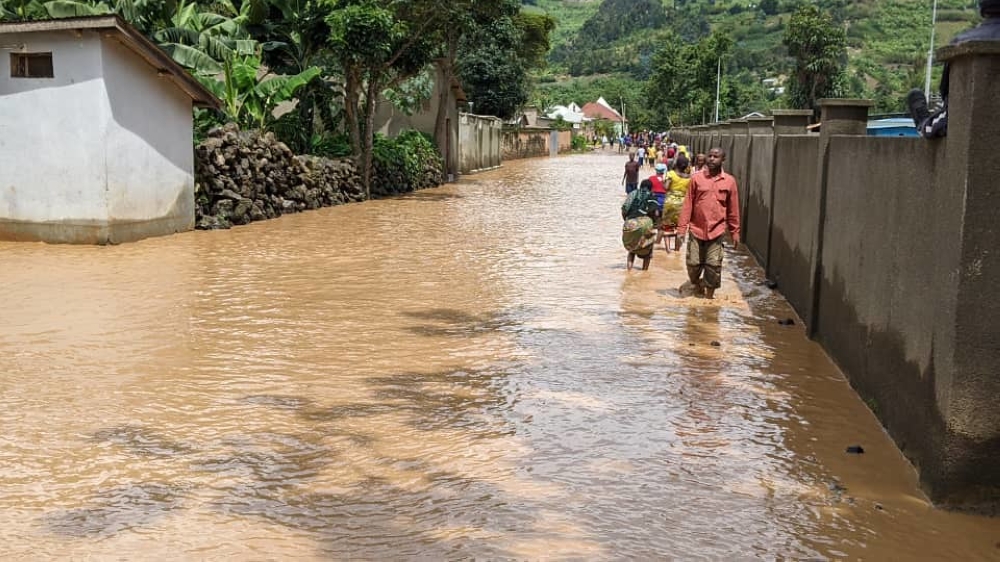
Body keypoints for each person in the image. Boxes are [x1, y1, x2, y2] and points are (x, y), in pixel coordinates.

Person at [907, 0, 1000, 138]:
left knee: (934, 124)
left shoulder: (962, 42)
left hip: (964, 120)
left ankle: (923, 124)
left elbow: (946, 91)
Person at [677, 148, 741, 299]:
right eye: (710, 156)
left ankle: (709, 302)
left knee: (713, 266)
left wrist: (735, 232)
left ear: (723, 160)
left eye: (716, 156)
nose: (711, 159)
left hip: (717, 231)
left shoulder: (730, 182)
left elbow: (733, 210)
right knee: (693, 264)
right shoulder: (696, 179)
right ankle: (695, 283)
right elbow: (688, 205)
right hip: (696, 229)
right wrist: (681, 230)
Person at [621, 179, 661, 271]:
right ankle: (645, 271)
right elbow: (656, 214)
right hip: (645, 223)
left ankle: (629, 271)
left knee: (632, 249)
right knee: (648, 249)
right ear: (651, 188)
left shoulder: (633, 193)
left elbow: (624, 209)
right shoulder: (652, 196)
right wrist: (654, 225)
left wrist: (626, 221)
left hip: (630, 223)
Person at [661, 155, 693, 250]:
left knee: (667, 227)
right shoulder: (690, 178)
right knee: (680, 228)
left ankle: (668, 249)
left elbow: (666, 187)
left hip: (670, 203)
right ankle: (677, 250)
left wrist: (664, 182)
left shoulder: (671, 174)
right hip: (682, 204)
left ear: (676, 164)